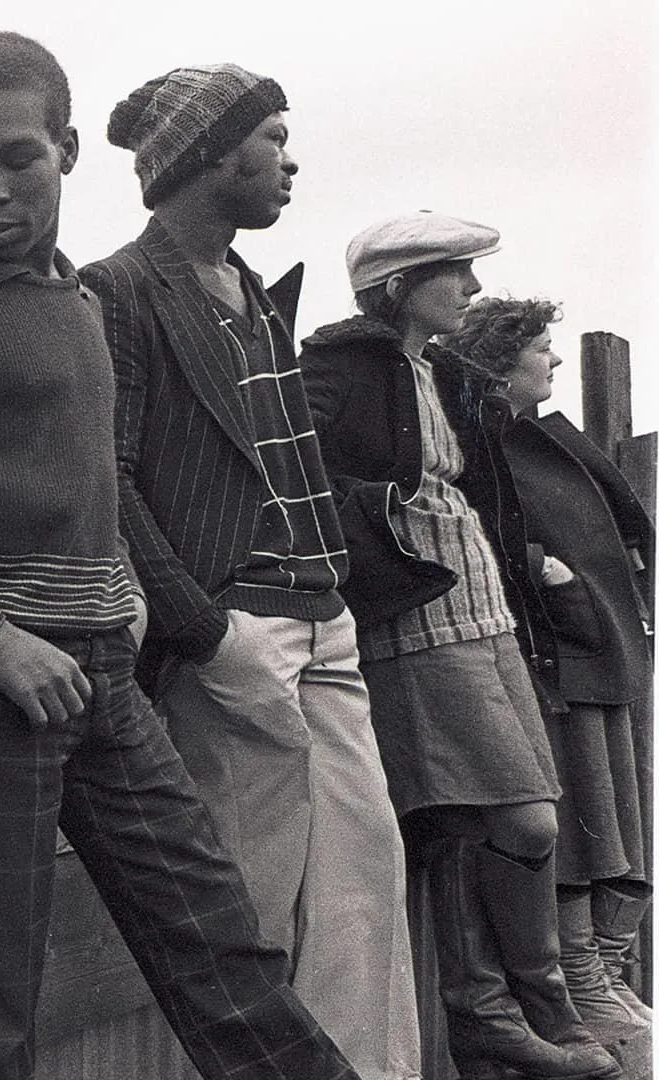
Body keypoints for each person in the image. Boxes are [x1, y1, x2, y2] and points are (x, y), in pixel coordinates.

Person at [0, 31, 358, 1080]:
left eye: (16, 158)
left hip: (107, 679)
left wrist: (125, 587)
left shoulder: (83, 306)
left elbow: (85, 474)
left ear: (65, 150)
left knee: (222, 947)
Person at [79, 64, 419, 1080]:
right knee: (247, 913)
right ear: (202, 155)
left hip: (325, 622)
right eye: (271, 136)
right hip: (235, 635)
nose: (289, 157)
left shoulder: (261, 300)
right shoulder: (122, 290)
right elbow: (110, 472)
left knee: (367, 886)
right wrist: (200, 625)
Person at [297, 212, 619, 1080]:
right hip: (414, 614)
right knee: (519, 813)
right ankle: (521, 1006)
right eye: (457, 274)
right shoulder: (342, 363)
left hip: (485, 608)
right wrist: (379, 517)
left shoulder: (441, 371)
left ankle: (500, 1016)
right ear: (402, 285)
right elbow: (298, 469)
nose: (473, 292)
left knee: (468, 821)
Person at [439, 297, 653, 1047]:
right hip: (552, 650)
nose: (555, 360)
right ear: (501, 360)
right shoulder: (477, 435)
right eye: (541, 348)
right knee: (578, 823)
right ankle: (582, 985)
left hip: (601, 646)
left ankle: (608, 973)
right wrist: (549, 575)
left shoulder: (533, 434)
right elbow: (475, 527)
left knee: (617, 820)